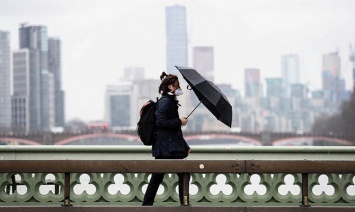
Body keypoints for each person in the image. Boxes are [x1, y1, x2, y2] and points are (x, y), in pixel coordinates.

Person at [142, 71, 191, 206]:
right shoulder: (166, 102)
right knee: (183, 174)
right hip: (167, 148)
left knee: (158, 177)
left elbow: (173, 132)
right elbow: (161, 123)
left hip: (167, 146)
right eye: (177, 85)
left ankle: (146, 206)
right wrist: (179, 122)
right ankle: (184, 205)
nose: (179, 88)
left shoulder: (169, 101)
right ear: (170, 87)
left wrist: (185, 146)